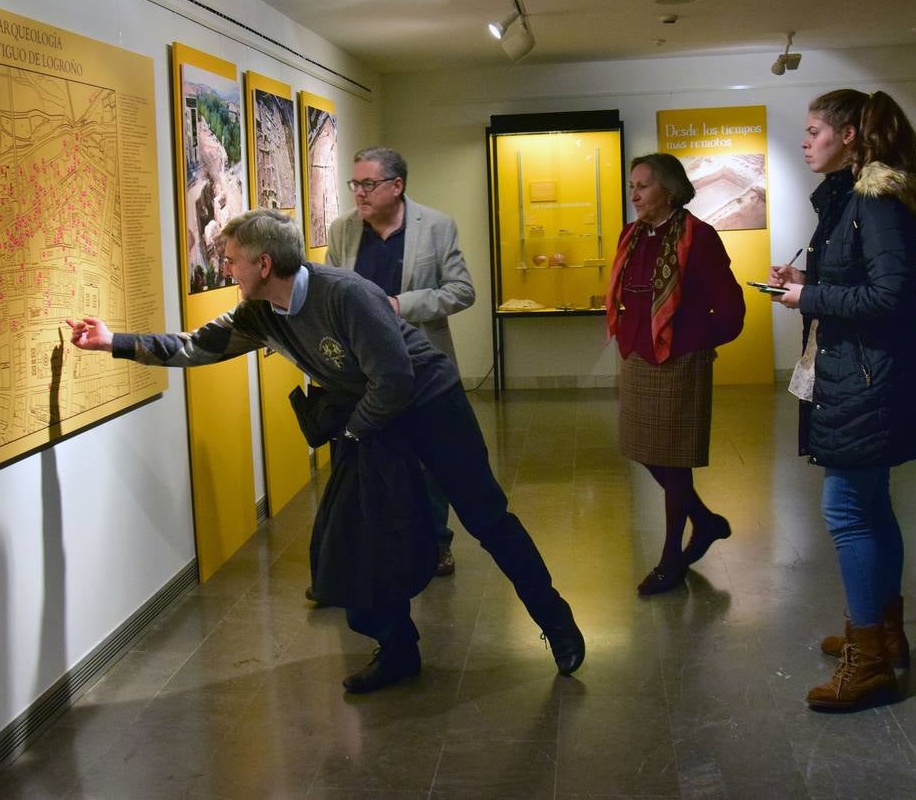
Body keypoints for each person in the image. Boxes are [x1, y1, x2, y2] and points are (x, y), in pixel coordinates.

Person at [65, 208, 584, 693]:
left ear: (264, 263)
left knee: (486, 518)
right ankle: (398, 650)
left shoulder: (345, 294)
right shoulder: (260, 312)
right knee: (370, 537)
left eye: (231, 260)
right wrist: (115, 341)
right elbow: (198, 345)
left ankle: (555, 620)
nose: (226, 270)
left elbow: (396, 379)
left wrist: (354, 433)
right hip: (374, 417)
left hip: (429, 405)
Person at [768, 89, 916, 711]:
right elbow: (862, 279)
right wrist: (808, 281)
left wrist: (806, 299)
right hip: (864, 377)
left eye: (815, 128)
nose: (805, 140)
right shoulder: (854, 196)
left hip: (870, 382)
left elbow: (889, 298)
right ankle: (882, 631)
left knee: (847, 511)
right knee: (871, 507)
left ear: (849, 137)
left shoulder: (873, 200)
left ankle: (869, 659)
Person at [327, 146, 475, 576]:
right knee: (372, 459)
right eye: (355, 184)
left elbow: (461, 291)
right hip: (362, 371)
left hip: (420, 365)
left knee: (429, 459)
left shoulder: (436, 227)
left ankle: (437, 544)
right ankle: (374, 549)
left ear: (397, 185)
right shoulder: (342, 232)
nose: (360, 193)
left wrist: (397, 304)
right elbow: (330, 291)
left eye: (369, 184)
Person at [604, 152, 744, 596]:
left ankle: (671, 558)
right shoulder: (633, 235)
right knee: (645, 448)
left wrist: (696, 345)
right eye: (632, 186)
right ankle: (704, 522)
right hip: (638, 357)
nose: (634, 194)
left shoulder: (698, 237)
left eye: (642, 185)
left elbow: (730, 310)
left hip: (679, 358)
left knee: (675, 460)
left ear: (668, 189)